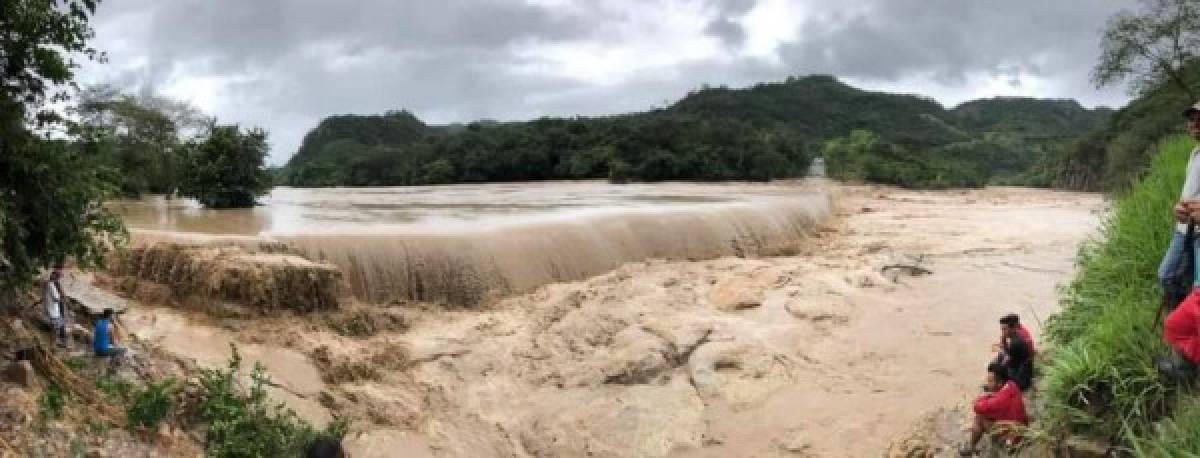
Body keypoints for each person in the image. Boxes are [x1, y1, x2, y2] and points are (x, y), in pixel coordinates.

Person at [1156, 102, 1200, 378]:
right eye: (1192, 118)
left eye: (1199, 118)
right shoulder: (1195, 153)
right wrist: (1180, 209)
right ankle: (1182, 336)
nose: (1194, 123)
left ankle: (1186, 364)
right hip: (1187, 229)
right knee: (1169, 276)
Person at [959, 362, 1029, 457]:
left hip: (1012, 438)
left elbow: (976, 407)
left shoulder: (997, 402)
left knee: (979, 418)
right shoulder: (1012, 384)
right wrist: (993, 394)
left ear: (1000, 383)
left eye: (990, 381)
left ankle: (971, 448)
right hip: (1021, 429)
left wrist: (985, 396)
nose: (987, 384)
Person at [992, 318, 1033, 391]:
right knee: (1000, 358)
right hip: (1024, 373)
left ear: (1012, 329)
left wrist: (996, 368)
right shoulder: (1017, 336)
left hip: (1021, 382)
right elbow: (1008, 353)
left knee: (994, 367)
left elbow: (1006, 362)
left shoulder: (1015, 343)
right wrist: (1003, 341)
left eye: (1004, 329)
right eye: (1002, 329)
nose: (1002, 332)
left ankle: (995, 388)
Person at [42, 266, 68, 347]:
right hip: (53, 310)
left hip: (54, 309)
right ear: (55, 276)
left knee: (56, 327)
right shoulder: (51, 285)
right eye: (58, 276)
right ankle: (52, 344)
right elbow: (56, 298)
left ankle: (54, 343)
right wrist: (63, 299)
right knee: (54, 329)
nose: (58, 278)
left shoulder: (51, 284)